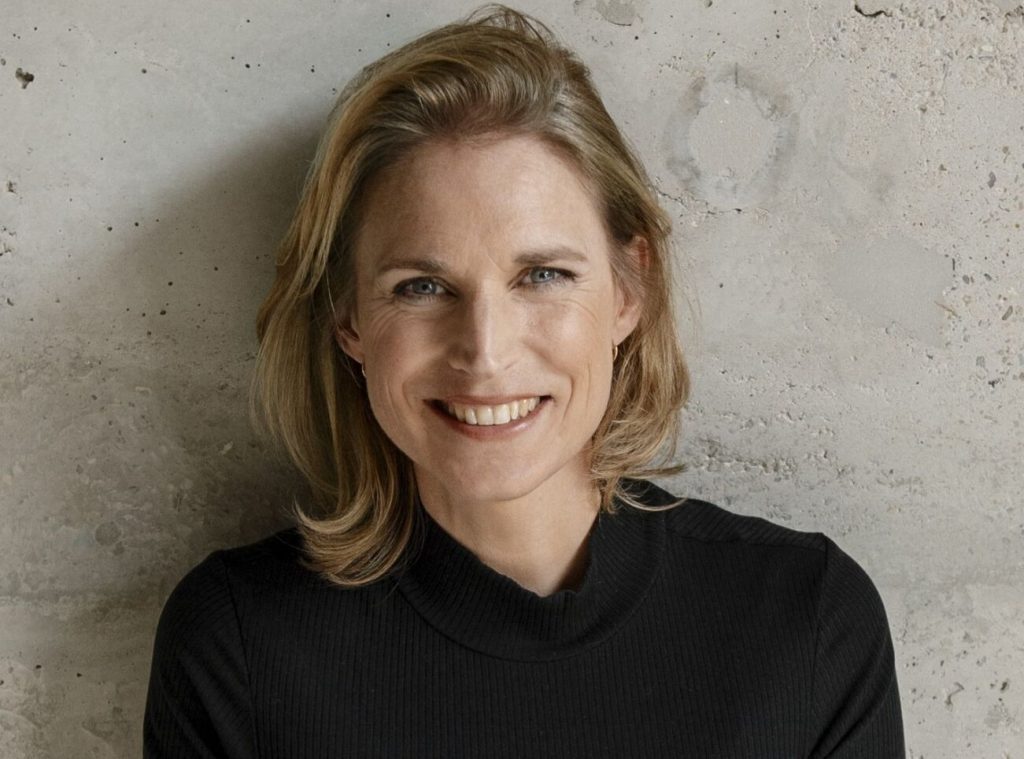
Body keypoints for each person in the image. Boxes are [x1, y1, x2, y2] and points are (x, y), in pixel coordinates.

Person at [143, 5, 905, 757]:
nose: (486, 351)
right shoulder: (238, 653)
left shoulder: (807, 627)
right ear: (348, 317)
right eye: (421, 287)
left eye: (542, 275)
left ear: (628, 290)